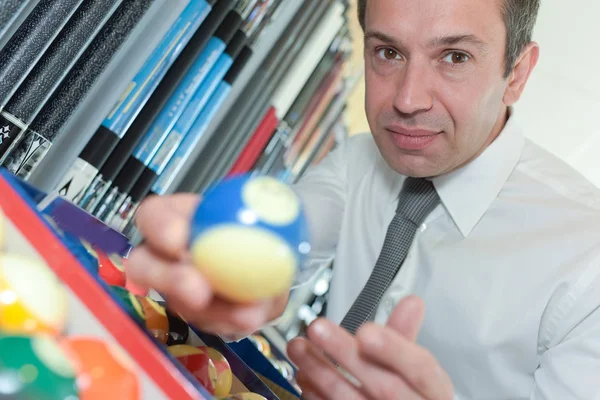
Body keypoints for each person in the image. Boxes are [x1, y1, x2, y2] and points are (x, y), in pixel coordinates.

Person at [126, 0, 600, 398]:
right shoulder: (358, 161)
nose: (408, 99)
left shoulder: (587, 260)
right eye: (388, 52)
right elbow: (288, 240)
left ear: (516, 73)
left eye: (454, 57)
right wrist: (228, 279)